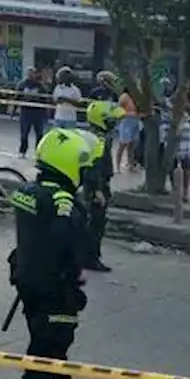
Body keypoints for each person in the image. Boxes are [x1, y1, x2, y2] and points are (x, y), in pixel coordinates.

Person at [8, 127, 94, 379]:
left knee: (51, 334)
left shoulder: (28, 190)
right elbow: (72, 244)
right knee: (47, 343)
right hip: (53, 284)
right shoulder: (62, 200)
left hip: (27, 277)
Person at [83, 100, 126, 272]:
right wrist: (98, 190)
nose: (115, 124)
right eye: (111, 121)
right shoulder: (98, 140)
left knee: (95, 221)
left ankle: (89, 256)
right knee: (96, 222)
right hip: (96, 185)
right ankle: (90, 258)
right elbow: (94, 168)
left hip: (99, 183)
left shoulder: (98, 136)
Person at [16, 67, 49, 156]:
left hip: (38, 113)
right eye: (29, 73)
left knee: (39, 134)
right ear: (26, 74)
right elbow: (17, 98)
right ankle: (22, 151)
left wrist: (46, 114)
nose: (30, 75)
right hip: (25, 112)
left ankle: (38, 152)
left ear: (35, 74)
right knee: (24, 133)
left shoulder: (40, 86)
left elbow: (45, 100)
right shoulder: (22, 85)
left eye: (32, 73)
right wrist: (13, 110)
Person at [115, 86, 139, 173]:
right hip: (126, 121)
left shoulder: (135, 96)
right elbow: (118, 111)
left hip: (136, 121)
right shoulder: (124, 97)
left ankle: (130, 164)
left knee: (132, 145)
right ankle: (117, 166)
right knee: (123, 145)